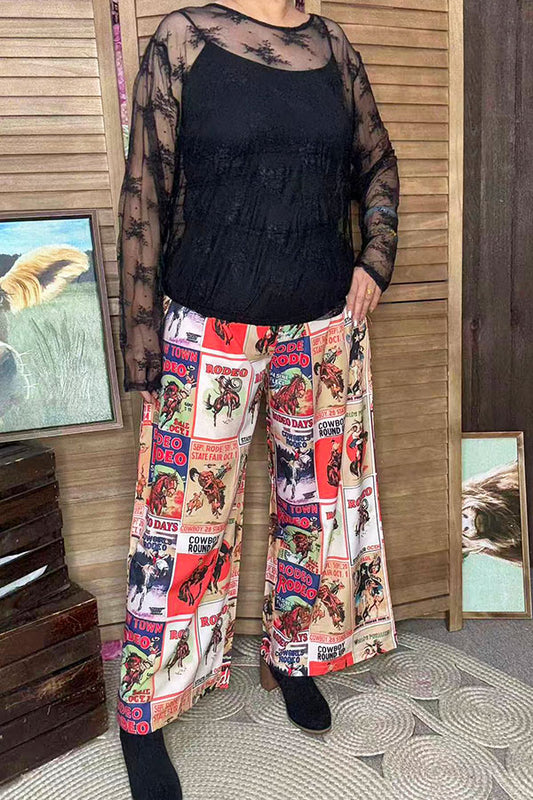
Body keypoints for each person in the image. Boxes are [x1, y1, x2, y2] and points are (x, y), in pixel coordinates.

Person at [115, 2, 400, 798]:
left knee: (313, 509)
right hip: (207, 326)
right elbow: (144, 190)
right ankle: (143, 710)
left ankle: (292, 655)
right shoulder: (184, 39)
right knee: (181, 525)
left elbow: (377, 163)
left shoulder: (332, 46)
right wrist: (142, 340)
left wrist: (375, 258)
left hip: (321, 326)